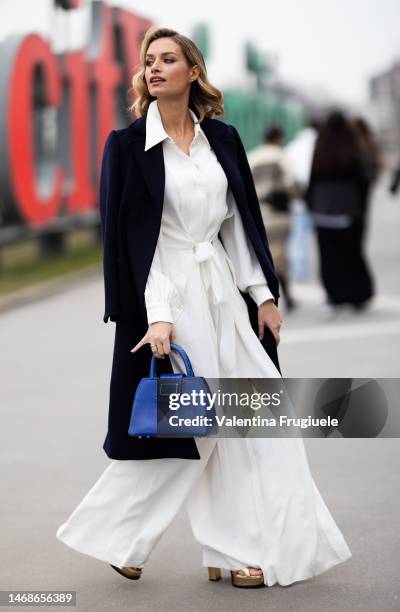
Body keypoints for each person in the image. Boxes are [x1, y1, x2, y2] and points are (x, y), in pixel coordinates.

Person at [56, 26, 352, 589]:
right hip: (168, 297)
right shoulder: (125, 146)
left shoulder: (223, 138)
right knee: (200, 423)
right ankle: (192, 542)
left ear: (194, 70)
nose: (155, 68)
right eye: (149, 60)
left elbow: (239, 223)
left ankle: (169, 543)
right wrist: (158, 314)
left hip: (220, 291)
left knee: (251, 420)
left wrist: (262, 295)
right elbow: (129, 243)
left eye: (169, 58)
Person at [306, 111, 375, 319]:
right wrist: (361, 208)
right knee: (352, 254)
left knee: (329, 258)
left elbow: (313, 180)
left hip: (323, 211)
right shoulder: (353, 148)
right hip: (349, 210)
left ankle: (334, 295)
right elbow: (363, 182)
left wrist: (311, 205)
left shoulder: (320, 148)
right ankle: (357, 295)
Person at [248, 125, 298, 310]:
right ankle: (284, 296)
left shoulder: (253, 156)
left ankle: (269, 296)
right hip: (278, 211)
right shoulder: (280, 156)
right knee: (279, 254)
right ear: (279, 138)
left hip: (259, 212)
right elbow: (292, 183)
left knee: (265, 255)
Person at [285, 118, 320, 282]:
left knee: (298, 236)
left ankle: (299, 270)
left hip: (297, 198)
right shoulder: (320, 146)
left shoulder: (293, 147)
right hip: (318, 199)